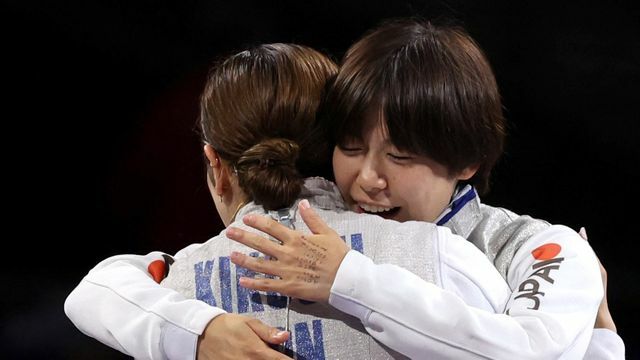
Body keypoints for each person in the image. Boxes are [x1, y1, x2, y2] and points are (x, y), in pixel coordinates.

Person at [65, 42, 515, 359]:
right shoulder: (448, 259)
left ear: (215, 166)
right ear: (336, 144)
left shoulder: (167, 293)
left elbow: (95, 289)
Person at [221, 18, 624, 358]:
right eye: (351, 147)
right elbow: (162, 276)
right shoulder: (312, 226)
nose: (367, 179)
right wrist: (200, 331)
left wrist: (351, 281)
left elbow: (531, 352)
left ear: (469, 159)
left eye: (399, 156)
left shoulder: (535, 247)